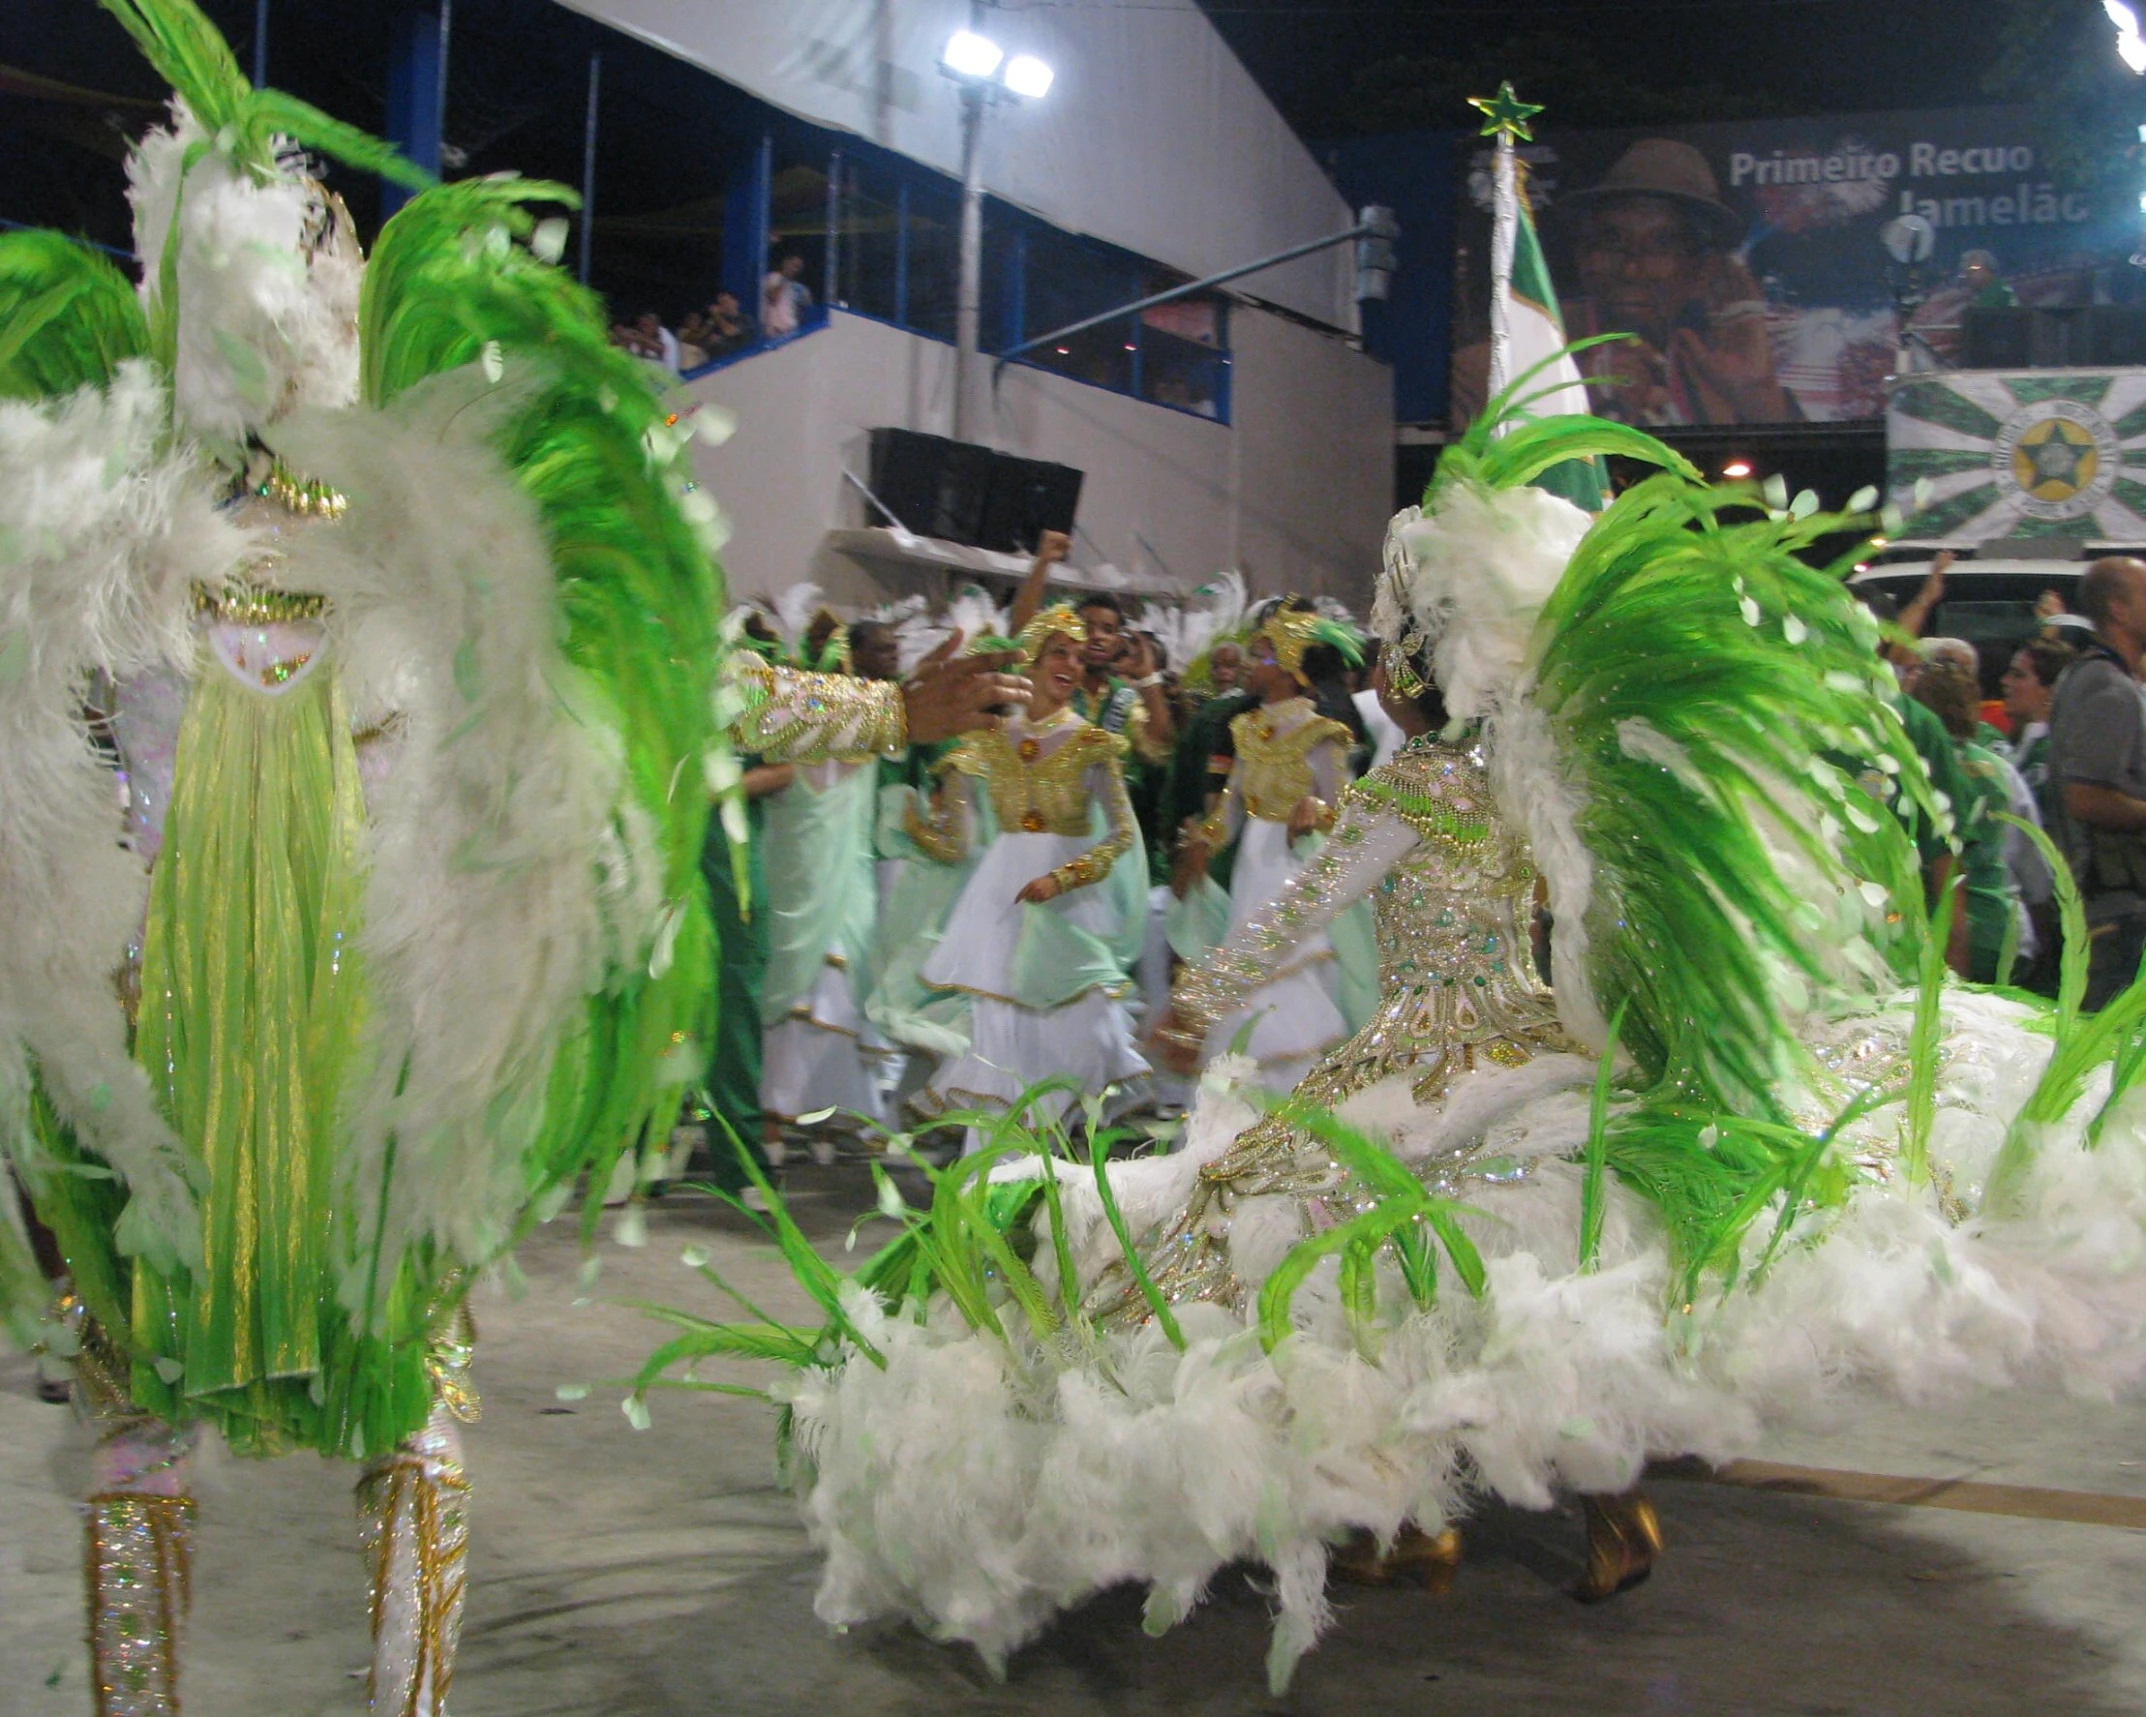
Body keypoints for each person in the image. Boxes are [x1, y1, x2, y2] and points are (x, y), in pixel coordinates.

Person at [640, 391, 2146, 1693]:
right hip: (1541, 1054)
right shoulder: (1558, 786)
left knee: (1279, 1257)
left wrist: (1195, 1007)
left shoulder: (1419, 788)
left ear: (1424, 658)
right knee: (1531, 1277)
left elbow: (1286, 927)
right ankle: (1597, 1506)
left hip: (1420, 1063)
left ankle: (1403, 1517)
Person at [0, 8, 1029, 1703]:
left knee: (405, 1413)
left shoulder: (434, 537)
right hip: (151, 1063)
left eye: (301, 267)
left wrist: (886, 722)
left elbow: (651, 664)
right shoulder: (99, 539)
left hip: (372, 1060)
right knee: (136, 1435)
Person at [907, 606, 1151, 1140]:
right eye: (1057, 652)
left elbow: (1122, 836)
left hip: (1067, 906)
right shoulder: (989, 741)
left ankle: (1049, 1161)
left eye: (1076, 653)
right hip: (1000, 904)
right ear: (1032, 664)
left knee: (1088, 1033)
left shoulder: (1093, 745)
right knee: (1000, 1041)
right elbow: (956, 841)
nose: (1070, 662)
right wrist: (916, 827)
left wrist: (1063, 878)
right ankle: (989, 1181)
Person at [1452, 138, 1798, 428]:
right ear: (1583, 258)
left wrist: (1758, 394)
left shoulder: (1713, 374)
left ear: (1701, 271)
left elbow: (1803, 491)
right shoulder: (1494, 368)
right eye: (1611, 242)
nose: (1632, 269)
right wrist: (1571, 401)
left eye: (1662, 245)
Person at [1169, 601, 1366, 1091]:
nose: (1253, 664)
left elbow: (1347, 815)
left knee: (1289, 981)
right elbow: (1231, 816)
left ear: (1291, 668)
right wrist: (1201, 844)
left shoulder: (1324, 736)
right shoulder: (1246, 730)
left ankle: (1296, 1101)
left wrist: (1317, 812)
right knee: (1246, 985)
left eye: (1264, 655)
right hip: (1251, 877)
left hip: (1296, 872)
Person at [757, 620, 897, 1160]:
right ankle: (771, 1126)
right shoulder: (784, 763)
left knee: (836, 999)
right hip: (796, 892)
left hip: (848, 893)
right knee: (790, 999)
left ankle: (824, 1120)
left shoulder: (864, 758)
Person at [2047, 556, 2146, 1009]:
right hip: (2115, 910)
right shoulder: (2111, 689)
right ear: (2119, 610)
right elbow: (2083, 797)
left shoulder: (2085, 676)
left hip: (2098, 907)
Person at [1911, 661, 2036, 984]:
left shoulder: (1912, 770)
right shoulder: (2001, 770)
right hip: (2003, 931)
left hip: (1940, 931)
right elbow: (2032, 855)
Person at [762, 251, 811, 338]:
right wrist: (784, 278)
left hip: (792, 331)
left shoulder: (798, 288)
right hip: (776, 331)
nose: (794, 269)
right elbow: (773, 297)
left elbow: (805, 311)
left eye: (797, 267)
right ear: (785, 262)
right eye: (793, 265)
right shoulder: (773, 277)